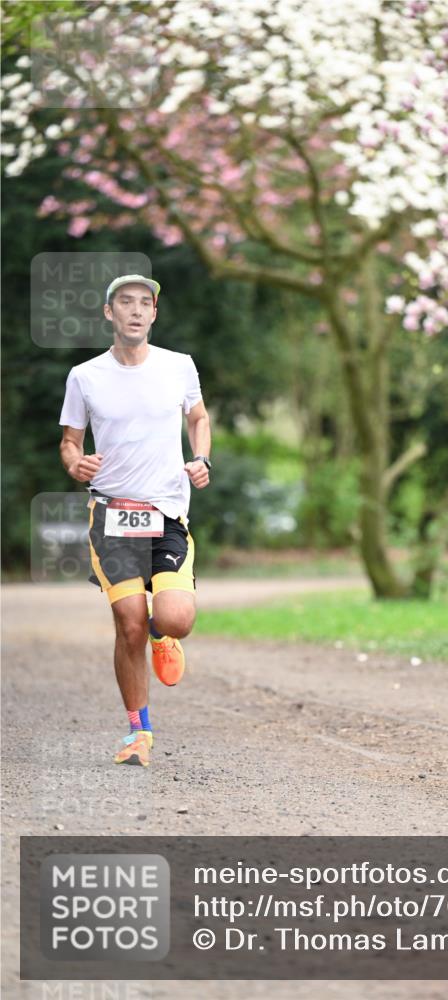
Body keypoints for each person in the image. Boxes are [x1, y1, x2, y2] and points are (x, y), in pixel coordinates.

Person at [59, 274, 211, 767]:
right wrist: (74, 462)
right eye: (126, 302)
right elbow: (69, 440)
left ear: (154, 315)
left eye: (145, 303)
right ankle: (138, 732)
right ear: (109, 313)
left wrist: (201, 458)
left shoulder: (178, 367)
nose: (137, 310)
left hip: (166, 510)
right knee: (128, 626)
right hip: (111, 512)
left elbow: (198, 417)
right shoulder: (85, 376)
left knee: (173, 619)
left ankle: (162, 636)